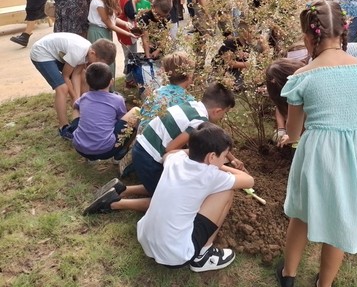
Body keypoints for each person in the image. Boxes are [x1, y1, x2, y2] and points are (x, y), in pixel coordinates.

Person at [276, 0, 357, 287]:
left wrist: (284, 135)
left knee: (301, 214)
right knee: (342, 218)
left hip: (318, 153)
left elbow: (293, 132)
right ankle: (324, 284)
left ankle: (288, 276)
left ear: (307, 38)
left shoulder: (303, 77)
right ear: (343, 32)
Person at [83, 83, 244, 214]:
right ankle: (114, 203)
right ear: (218, 111)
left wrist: (232, 159)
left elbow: (213, 137)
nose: (223, 117)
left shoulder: (193, 105)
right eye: (225, 113)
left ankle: (121, 189)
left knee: (164, 183)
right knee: (171, 200)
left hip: (142, 148)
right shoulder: (198, 121)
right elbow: (171, 149)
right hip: (148, 158)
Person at [137, 122, 254, 271]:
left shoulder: (175, 160)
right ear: (211, 157)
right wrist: (221, 167)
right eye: (224, 156)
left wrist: (195, 152)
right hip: (176, 256)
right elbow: (249, 181)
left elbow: (168, 154)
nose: (224, 160)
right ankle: (203, 256)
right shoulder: (210, 175)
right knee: (226, 191)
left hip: (146, 240)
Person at [30, 34, 116, 140]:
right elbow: (66, 76)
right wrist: (75, 97)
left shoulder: (88, 52)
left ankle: (85, 111)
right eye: (99, 62)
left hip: (55, 53)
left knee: (84, 75)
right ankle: (64, 127)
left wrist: (77, 98)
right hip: (41, 53)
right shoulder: (78, 52)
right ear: (93, 53)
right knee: (62, 88)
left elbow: (76, 74)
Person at [72, 62, 139, 162]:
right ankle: (120, 154)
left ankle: (76, 133)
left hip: (80, 148)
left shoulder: (84, 97)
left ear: (86, 81)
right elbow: (122, 120)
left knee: (76, 108)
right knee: (136, 111)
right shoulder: (117, 99)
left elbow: (75, 106)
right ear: (111, 81)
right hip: (106, 151)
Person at [86, 0, 136, 79]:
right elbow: (110, 24)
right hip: (98, 33)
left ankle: (110, 89)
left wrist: (125, 24)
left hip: (105, 32)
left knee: (109, 60)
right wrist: (127, 33)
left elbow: (112, 19)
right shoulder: (98, 2)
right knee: (102, 62)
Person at [138, 51, 196, 132]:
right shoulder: (189, 101)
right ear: (190, 74)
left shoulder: (156, 92)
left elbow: (142, 116)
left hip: (141, 139)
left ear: (166, 73)